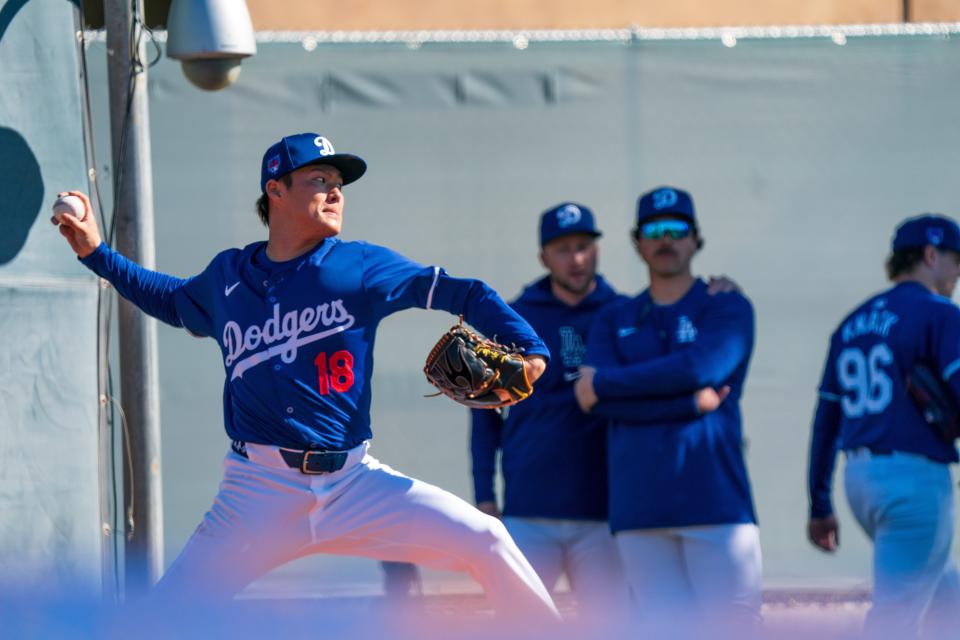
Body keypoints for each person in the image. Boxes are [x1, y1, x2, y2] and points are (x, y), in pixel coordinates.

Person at [53, 132, 559, 622]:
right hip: (257, 491)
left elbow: (465, 293)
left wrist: (531, 349)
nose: (336, 191)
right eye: (319, 178)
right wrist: (97, 254)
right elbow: (168, 297)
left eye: (338, 182)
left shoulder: (358, 265)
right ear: (275, 190)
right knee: (163, 619)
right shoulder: (228, 276)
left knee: (487, 541)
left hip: (354, 484)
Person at [574, 186, 761, 627]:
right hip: (639, 510)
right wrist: (691, 404)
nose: (666, 239)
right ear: (638, 242)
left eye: (677, 229)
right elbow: (589, 400)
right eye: (654, 230)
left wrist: (613, 387)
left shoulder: (727, 305)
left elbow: (700, 367)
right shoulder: (614, 317)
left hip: (715, 506)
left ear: (695, 239)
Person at [807, 214, 960, 638]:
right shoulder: (939, 312)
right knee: (895, 620)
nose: (957, 272)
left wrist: (819, 501)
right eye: (955, 260)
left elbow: (826, 421)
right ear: (931, 256)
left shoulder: (850, 324)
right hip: (914, 481)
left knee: (948, 603)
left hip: (860, 480)